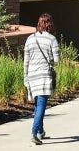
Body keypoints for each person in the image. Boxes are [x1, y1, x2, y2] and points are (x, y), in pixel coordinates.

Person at [24, 13, 59, 145]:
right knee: (41, 106)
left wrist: (25, 77)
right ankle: (34, 133)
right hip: (44, 76)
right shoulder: (52, 39)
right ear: (50, 24)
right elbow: (56, 60)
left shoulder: (30, 39)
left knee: (38, 105)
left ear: (39, 23)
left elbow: (25, 61)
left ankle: (41, 131)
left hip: (32, 76)